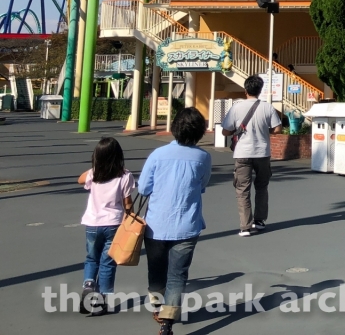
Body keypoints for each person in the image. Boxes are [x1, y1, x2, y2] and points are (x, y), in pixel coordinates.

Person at [138, 107, 212, 334]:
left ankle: (157, 305)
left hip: (156, 224)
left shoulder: (157, 155)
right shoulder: (203, 157)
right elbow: (202, 186)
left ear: (174, 128)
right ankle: (167, 322)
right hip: (187, 224)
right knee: (178, 274)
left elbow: (143, 187)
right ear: (200, 132)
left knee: (156, 270)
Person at [78, 138, 135, 315]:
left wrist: (95, 167)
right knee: (108, 262)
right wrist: (130, 216)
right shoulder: (125, 176)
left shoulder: (93, 174)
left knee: (91, 258)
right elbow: (127, 202)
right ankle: (102, 298)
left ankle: (88, 284)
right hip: (113, 224)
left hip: (92, 223)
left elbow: (80, 180)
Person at [220, 74, 281, 237]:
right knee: (262, 187)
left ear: (245, 89)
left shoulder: (236, 107)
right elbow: (277, 129)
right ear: (260, 90)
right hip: (262, 153)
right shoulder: (267, 107)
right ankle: (259, 220)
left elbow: (225, 131)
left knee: (242, 189)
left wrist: (236, 131)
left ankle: (245, 226)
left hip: (242, 153)